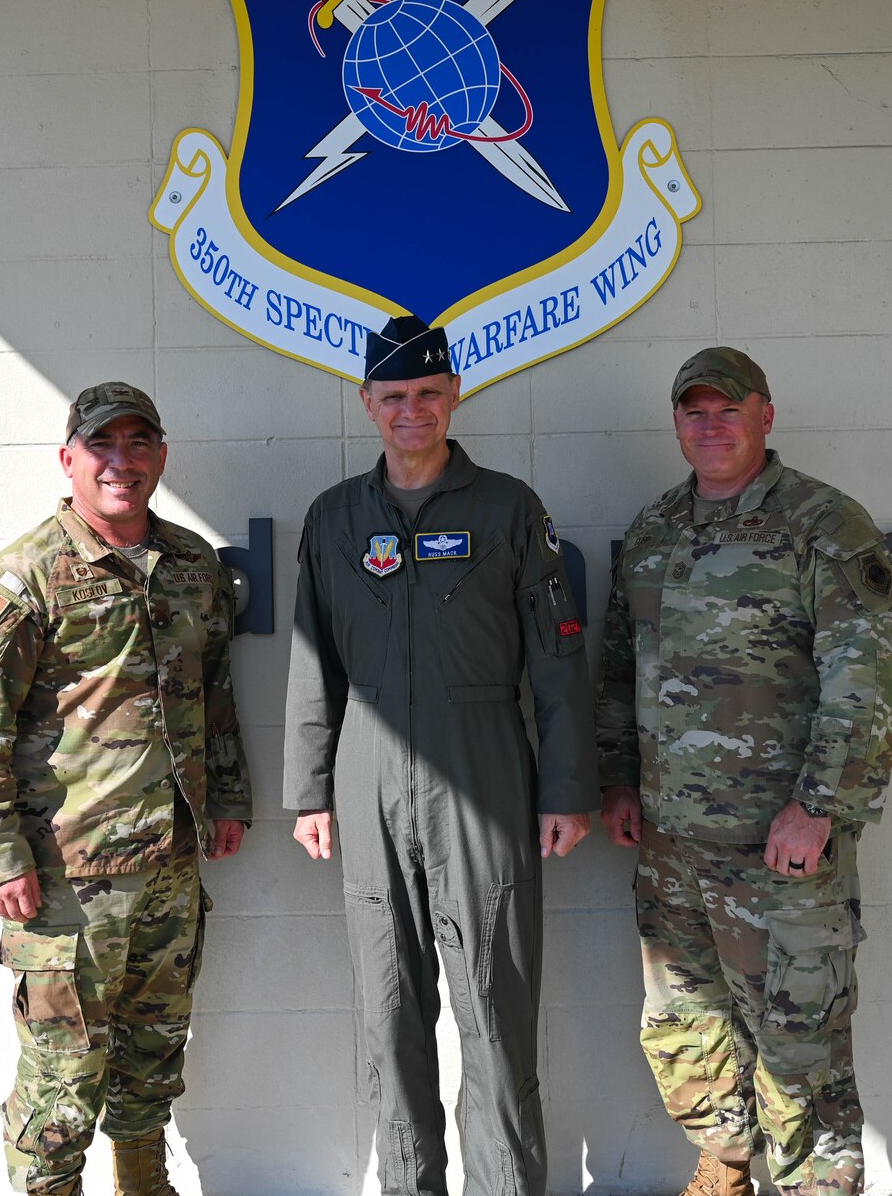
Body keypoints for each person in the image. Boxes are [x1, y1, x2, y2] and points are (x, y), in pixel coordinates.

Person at [283, 316, 597, 1196]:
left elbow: (557, 655)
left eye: (427, 393)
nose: (411, 410)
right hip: (368, 766)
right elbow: (314, 661)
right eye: (393, 396)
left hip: (485, 764)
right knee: (390, 1012)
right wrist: (310, 789)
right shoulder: (335, 517)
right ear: (367, 404)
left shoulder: (508, 508)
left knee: (496, 1010)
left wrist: (565, 787)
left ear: (454, 393)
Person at [595, 347, 892, 1196]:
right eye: (694, 410)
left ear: (766, 414)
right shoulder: (656, 530)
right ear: (677, 424)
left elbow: (864, 679)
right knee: (685, 1027)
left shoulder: (823, 524)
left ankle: (813, 1187)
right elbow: (623, 665)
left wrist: (819, 806)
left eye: (728, 408)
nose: (711, 424)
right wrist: (619, 779)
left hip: (780, 844)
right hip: (672, 844)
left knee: (800, 1043)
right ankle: (726, 1165)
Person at [0, 381, 252, 1196]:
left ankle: (143, 1186)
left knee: (152, 1060)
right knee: (62, 1079)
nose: (122, 460)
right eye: (102, 444)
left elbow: (213, 689)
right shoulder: (25, 577)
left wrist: (227, 799)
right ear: (69, 458)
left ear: (161, 453)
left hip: (170, 867)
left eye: (139, 441)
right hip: (67, 881)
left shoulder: (192, 565)